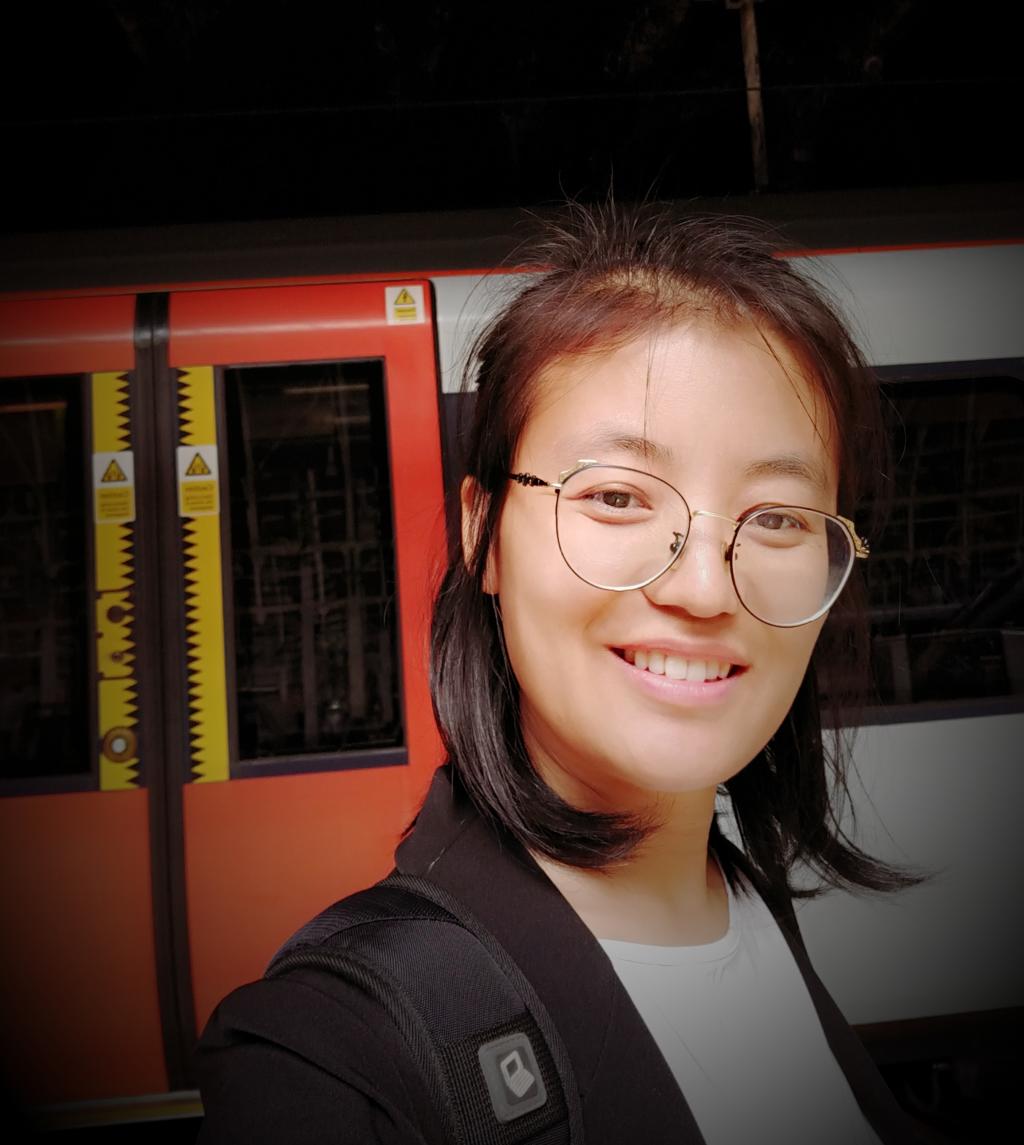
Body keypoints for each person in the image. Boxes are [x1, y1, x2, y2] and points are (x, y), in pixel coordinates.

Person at [196, 205, 929, 1144]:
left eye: (779, 518)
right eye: (616, 496)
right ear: (484, 535)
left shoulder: (743, 901)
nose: (706, 588)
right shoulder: (333, 1057)